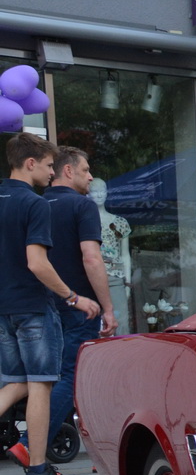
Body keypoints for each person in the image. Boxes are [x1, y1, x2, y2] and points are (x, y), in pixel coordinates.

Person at [0, 135, 100, 475]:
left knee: (15, 383)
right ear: (30, 163)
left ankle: (38, 466)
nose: (50, 173)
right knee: (41, 383)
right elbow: (37, 263)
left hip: (3, 307)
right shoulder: (34, 203)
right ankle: (38, 470)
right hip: (32, 307)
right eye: (46, 165)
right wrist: (73, 297)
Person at [39, 147, 116, 456]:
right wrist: (107, 308)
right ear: (68, 171)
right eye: (85, 170)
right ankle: (31, 446)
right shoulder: (82, 206)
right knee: (71, 374)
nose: (91, 176)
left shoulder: (35, 204)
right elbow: (91, 258)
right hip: (79, 305)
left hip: (40, 305)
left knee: (42, 378)